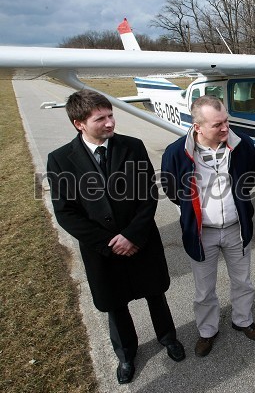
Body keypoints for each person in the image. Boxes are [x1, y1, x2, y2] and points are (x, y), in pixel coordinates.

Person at [46, 89, 185, 385]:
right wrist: (109, 243)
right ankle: (126, 353)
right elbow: (66, 212)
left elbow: (148, 195)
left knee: (155, 294)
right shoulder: (61, 160)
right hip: (103, 250)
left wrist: (132, 235)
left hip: (141, 241)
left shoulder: (132, 147)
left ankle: (168, 338)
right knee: (115, 304)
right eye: (101, 118)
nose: (110, 123)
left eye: (111, 115)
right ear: (78, 123)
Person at [161, 95, 255, 358]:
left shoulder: (243, 145)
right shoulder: (176, 152)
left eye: (226, 121)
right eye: (217, 124)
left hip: (235, 228)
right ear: (197, 127)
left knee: (243, 281)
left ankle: (243, 320)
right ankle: (207, 331)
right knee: (204, 288)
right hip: (202, 232)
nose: (225, 128)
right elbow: (173, 190)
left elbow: (249, 178)